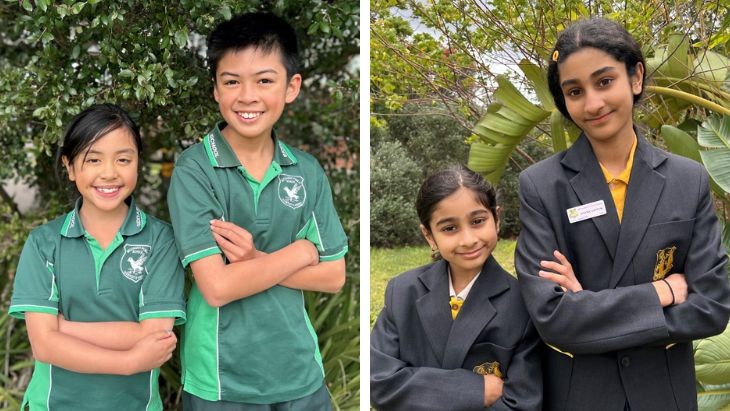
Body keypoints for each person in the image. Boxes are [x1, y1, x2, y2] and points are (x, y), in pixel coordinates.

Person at [515, 17, 730, 411]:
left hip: (663, 396)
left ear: (635, 77)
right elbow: (554, 317)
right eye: (575, 91)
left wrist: (589, 309)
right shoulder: (542, 187)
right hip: (581, 397)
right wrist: (661, 293)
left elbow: (711, 306)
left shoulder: (688, 179)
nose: (593, 103)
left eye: (604, 81)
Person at [167, 12, 348, 410]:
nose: (247, 96)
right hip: (223, 379)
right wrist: (301, 252)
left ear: (291, 86)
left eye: (265, 80)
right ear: (216, 89)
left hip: (300, 371)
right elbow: (217, 287)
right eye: (232, 81)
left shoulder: (306, 170)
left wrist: (254, 260)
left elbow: (334, 276)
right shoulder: (195, 169)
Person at [9, 103, 186, 410]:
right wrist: (129, 360)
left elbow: (155, 336)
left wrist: (61, 328)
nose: (109, 173)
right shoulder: (44, 243)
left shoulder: (161, 240)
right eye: (93, 159)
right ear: (70, 166)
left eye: (123, 159)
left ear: (138, 164)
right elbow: (44, 347)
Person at [370, 165, 542, 410]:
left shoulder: (523, 304)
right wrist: (477, 389)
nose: (468, 239)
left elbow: (522, 402)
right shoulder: (403, 292)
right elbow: (378, 381)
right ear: (429, 235)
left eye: (478, 221)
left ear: (497, 218)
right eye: (450, 228)